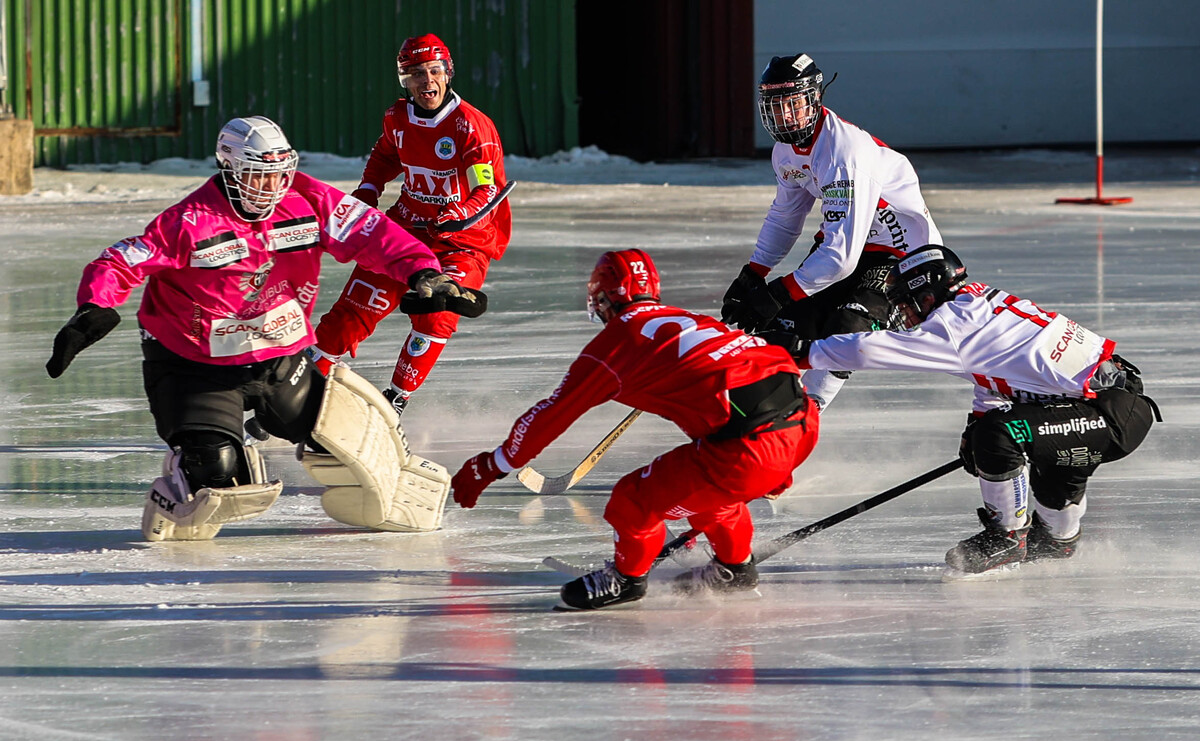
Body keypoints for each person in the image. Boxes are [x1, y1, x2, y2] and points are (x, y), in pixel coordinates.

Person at [45, 115, 485, 542]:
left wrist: (423, 272)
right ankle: (182, 477)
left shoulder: (309, 200)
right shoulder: (190, 221)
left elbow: (373, 234)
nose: (272, 185)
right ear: (230, 169)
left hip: (279, 357)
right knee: (218, 472)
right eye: (258, 174)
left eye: (279, 173)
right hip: (194, 366)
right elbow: (121, 260)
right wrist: (94, 306)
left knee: (348, 443)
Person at [450, 249, 821, 610]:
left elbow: (551, 414)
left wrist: (492, 464)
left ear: (604, 299)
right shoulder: (693, 321)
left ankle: (626, 579)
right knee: (710, 494)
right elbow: (757, 367)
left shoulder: (616, 343)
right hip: (799, 420)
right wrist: (780, 458)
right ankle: (735, 570)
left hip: (751, 445)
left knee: (632, 500)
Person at [784, 244, 1160, 576]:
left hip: (1107, 414)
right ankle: (1058, 541)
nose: (903, 313)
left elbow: (866, 350)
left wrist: (798, 351)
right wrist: (975, 426)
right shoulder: (977, 304)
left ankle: (1007, 537)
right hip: (1102, 404)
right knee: (1039, 463)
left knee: (1001, 434)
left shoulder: (953, 323)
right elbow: (996, 373)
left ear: (926, 295)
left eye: (905, 302)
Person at [720, 52, 943, 412]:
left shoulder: (844, 153)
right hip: (848, 242)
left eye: (793, 104)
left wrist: (776, 293)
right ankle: (753, 418)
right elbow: (786, 216)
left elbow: (840, 258)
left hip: (901, 256)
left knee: (845, 329)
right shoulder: (785, 152)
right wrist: (754, 274)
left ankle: (804, 418)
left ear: (814, 99)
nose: (784, 116)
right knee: (784, 328)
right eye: (775, 107)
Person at [310, 32, 512, 416]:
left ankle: (395, 401)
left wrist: (461, 212)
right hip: (404, 233)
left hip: (462, 240)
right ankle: (296, 395)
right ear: (405, 80)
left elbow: (485, 187)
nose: (427, 80)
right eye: (417, 73)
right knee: (351, 312)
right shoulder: (397, 117)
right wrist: (368, 189)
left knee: (436, 313)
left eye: (434, 70)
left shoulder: (470, 125)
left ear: (448, 73)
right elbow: (386, 154)